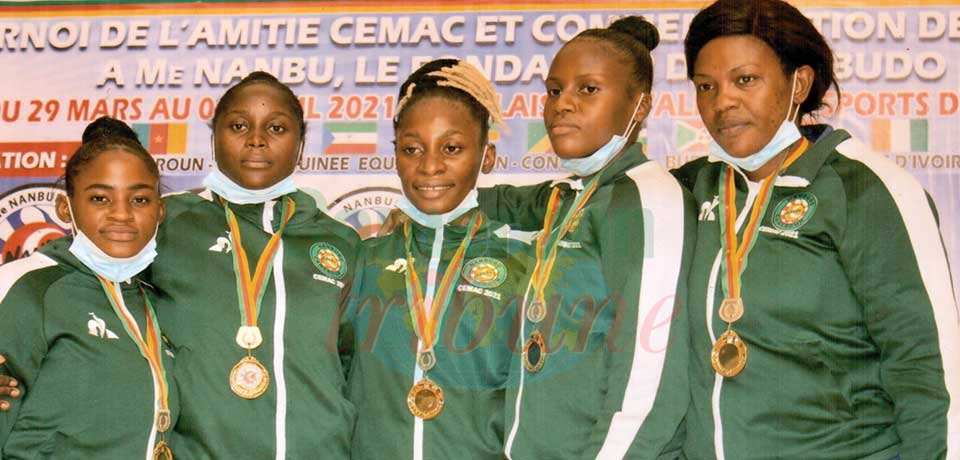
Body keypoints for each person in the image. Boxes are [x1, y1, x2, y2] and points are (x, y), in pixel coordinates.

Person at [674, 0, 960, 458]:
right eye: (706, 86)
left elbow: (927, 371)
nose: (721, 101)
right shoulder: (691, 188)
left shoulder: (868, 190)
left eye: (745, 79)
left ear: (799, 84)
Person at [476, 16, 696, 459]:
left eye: (588, 89)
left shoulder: (648, 201)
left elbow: (647, 383)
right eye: (555, 91)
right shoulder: (575, 195)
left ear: (641, 105)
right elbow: (498, 204)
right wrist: (417, 211)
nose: (562, 105)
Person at [150, 71, 359, 458]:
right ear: (213, 138)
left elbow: (357, 363)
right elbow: (92, 296)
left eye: (276, 127)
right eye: (239, 125)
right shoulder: (167, 224)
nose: (257, 139)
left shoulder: (339, 241)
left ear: (301, 144)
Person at [345, 58, 528, 460]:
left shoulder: (522, 265)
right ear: (394, 153)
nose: (429, 166)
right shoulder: (364, 260)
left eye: (452, 148)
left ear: (488, 156)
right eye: (412, 148)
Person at [0, 117, 177, 459]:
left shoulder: (158, 299)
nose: (121, 215)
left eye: (139, 200)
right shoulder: (27, 286)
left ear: (160, 211)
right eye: (99, 198)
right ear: (66, 207)